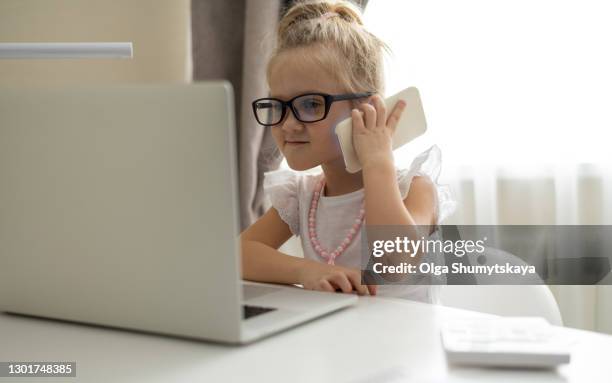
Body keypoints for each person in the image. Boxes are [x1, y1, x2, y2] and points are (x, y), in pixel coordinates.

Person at [240, 0, 455, 303]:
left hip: (408, 347)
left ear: (368, 109)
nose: (287, 124)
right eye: (278, 106)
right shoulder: (302, 196)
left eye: (310, 104)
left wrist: (378, 161)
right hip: (340, 345)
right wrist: (306, 272)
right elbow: (240, 255)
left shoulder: (415, 188)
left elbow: (396, 261)